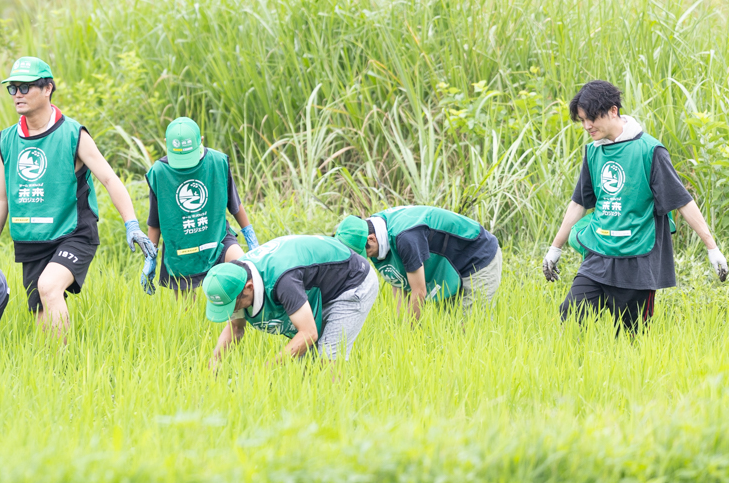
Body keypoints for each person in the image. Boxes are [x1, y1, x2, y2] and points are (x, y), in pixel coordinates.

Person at [0, 56, 154, 340]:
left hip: (74, 232)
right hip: (31, 236)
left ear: (47, 88)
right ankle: (51, 372)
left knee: (49, 287)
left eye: (26, 87)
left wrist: (132, 224)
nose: (18, 95)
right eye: (13, 88)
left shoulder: (73, 134)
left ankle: (62, 363)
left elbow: (109, 179)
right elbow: (0, 198)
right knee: (40, 315)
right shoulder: (8, 140)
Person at [543, 80, 726, 333]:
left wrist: (712, 248)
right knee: (571, 317)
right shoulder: (593, 152)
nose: (587, 126)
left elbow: (682, 201)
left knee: (632, 337)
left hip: (638, 259)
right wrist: (555, 248)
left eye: (592, 118)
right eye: (583, 120)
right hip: (598, 254)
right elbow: (579, 204)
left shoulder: (650, 150)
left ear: (613, 110)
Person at [202, 233, 379, 366]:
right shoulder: (236, 277)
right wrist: (213, 365)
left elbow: (309, 333)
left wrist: (265, 372)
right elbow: (235, 328)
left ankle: (334, 407)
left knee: (328, 358)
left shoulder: (283, 281)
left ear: (249, 288)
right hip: (318, 283)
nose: (232, 311)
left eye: (233, 305)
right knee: (305, 361)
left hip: (352, 281)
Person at [142, 116, 256, 293]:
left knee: (245, 275)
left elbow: (234, 205)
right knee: (187, 313)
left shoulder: (218, 163)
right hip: (181, 249)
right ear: (166, 144)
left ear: (201, 140)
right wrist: (150, 257)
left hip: (217, 239)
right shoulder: (159, 172)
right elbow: (155, 221)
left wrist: (251, 238)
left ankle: (235, 321)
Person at [333, 204, 502, 319]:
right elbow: (399, 283)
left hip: (478, 256)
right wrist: (402, 326)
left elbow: (419, 292)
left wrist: (411, 334)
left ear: (371, 238)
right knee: (450, 327)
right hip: (446, 267)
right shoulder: (375, 232)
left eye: (366, 253)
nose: (368, 258)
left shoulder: (405, 238)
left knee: (470, 326)